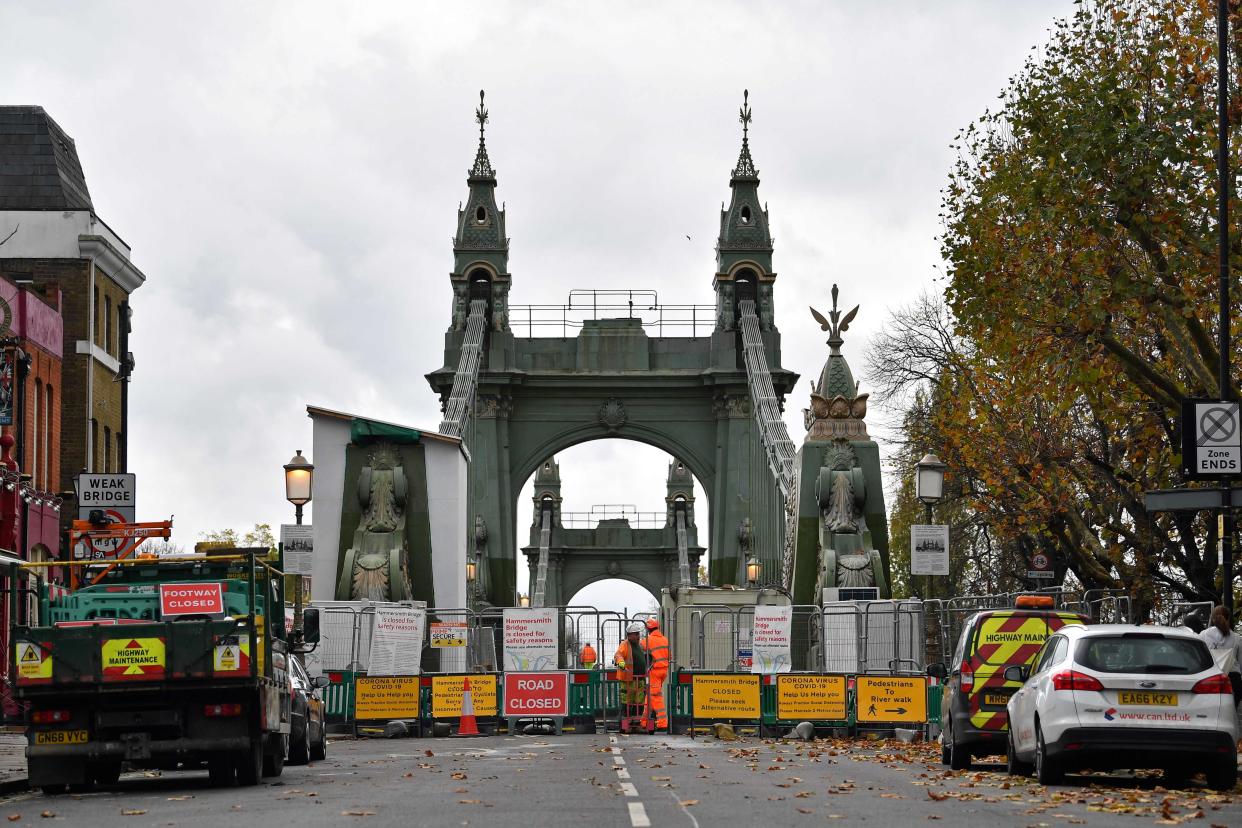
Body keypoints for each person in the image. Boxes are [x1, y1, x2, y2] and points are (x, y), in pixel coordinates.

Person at [1199, 605, 1242, 707]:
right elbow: (1241, 662)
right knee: (1231, 713)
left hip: (1210, 677)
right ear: (1228, 618)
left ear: (1212, 619)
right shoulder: (1236, 638)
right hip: (1232, 679)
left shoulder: (1203, 635)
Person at [613, 622, 648, 734]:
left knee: (639, 703)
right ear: (629, 635)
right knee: (627, 703)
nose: (638, 636)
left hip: (640, 679)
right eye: (636, 634)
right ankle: (625, 725)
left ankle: (636, 725)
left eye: (638, 634)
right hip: (628, 679)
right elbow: (618, 655)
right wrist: (621, 663)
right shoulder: (625, 644)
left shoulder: (640, 645)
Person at [641, 617, 670, 733]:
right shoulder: (665, 639)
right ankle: (644, 721)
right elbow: (669, 656)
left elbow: (638, 649)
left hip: (654, 671)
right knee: (650, 695)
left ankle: (662, 722)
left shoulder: (648, 640)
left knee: (655, 696)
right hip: (664, 670)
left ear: (648, 628)